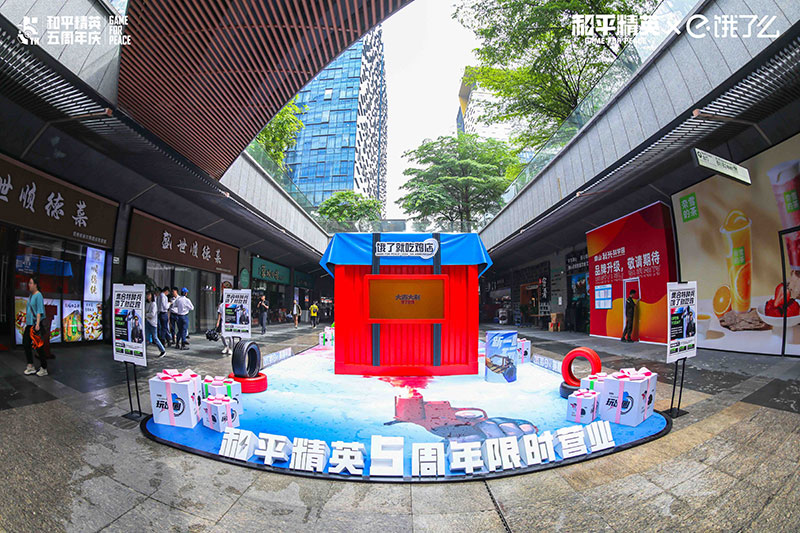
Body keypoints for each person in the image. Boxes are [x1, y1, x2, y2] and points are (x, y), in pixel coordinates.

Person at [23, 276, 48, 376]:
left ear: (35, 285)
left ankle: (44, 368)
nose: (29, 285)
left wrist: (37, 324)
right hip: (29, 324)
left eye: (30, 283)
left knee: (38, 347)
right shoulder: (31, 296)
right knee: (26, 343)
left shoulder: (38, 295)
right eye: (29, 283)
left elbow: (39, 310)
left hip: (35, 324)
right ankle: (30, 366)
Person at [145, 291, 166, 357]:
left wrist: (146, 314)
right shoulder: (147, 303)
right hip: (147, 321)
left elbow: (152, 314)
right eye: (147, 295)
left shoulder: (153, 304)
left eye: (149, 295)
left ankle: (162, 350)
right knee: (147, 337)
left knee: (155, 337)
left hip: (153, 323)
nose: (148, 296)